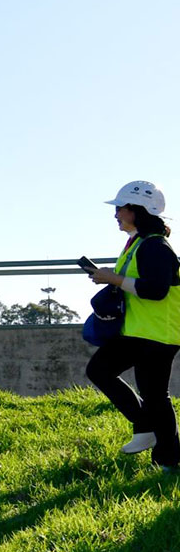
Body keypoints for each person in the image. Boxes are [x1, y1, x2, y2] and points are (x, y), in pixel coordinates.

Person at [85, 181, 180, 469]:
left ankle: (164, 452)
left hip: (157, 332)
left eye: (119, 208)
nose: (115, 214)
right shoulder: (140, 242)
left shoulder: (154, 246)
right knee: (144, 391)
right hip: (142, 330)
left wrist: (111, 279)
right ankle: (154, 440)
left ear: (136, 210)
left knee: (152, 394)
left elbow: (156, 290)